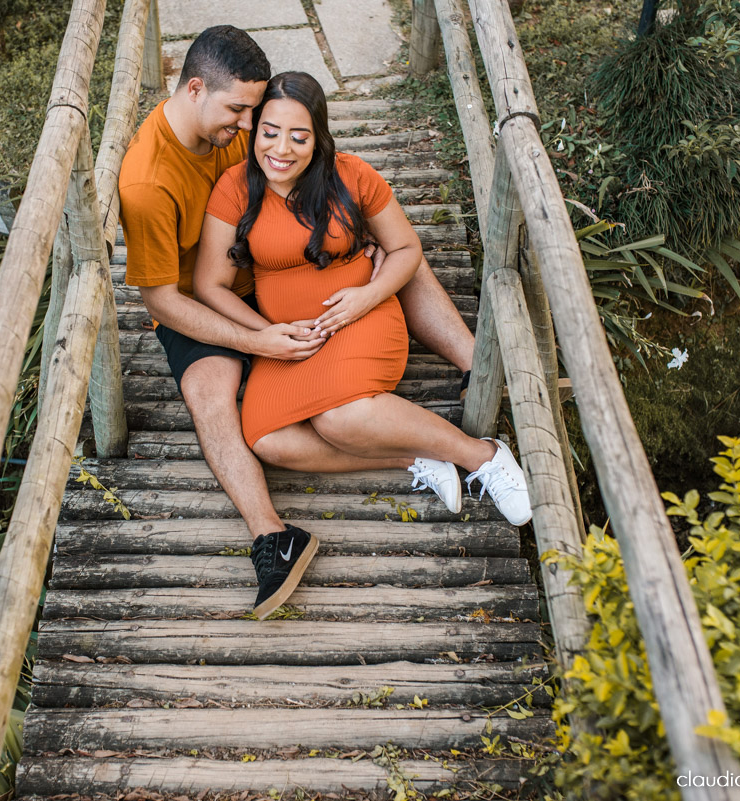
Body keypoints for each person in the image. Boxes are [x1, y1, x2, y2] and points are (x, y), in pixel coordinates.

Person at [118, 27, 490, 620]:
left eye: (253, 114)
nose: (247, 128)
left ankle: (477, 364)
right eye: (241, 112)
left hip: (283, 269)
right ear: (194, 90)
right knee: (212, 401)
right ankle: (273, 536)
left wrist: (357, 256)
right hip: (208, 304)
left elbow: (292, 141)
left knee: (387, 252)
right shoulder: (147, 183)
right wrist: (255, 338)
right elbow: (163, 301)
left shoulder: (240, 129)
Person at [195, 71, 531, 572]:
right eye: (269, 131)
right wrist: (262, 336)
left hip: (360, 320)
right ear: (254, 129)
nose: (280, 149)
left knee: (339, 417)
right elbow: (210, 285)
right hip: (290, 340)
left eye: (298, 135)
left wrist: (366, 296)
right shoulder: (235, 188)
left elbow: (405, 249)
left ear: (318, 138)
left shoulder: (351, 176)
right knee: (268, 439)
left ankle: (479, 454)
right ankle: (412, 458)